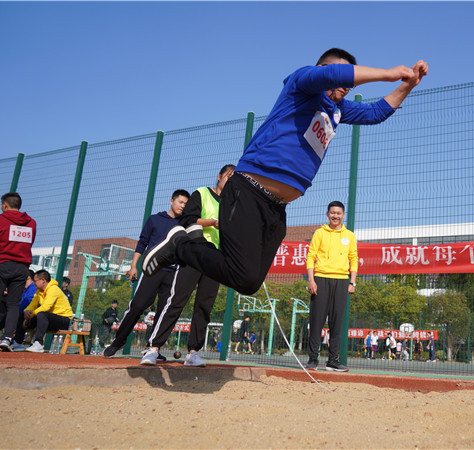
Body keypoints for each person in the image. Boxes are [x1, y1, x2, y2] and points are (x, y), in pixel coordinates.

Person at [140, 48, 428, 307]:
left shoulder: (338, 110)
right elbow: (335, 75)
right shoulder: (301, 83)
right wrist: (389, 73)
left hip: (277, 208)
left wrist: (408, 84)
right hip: (248, 191)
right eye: (341, 75)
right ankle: (180, 246)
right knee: (242, 274)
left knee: (249, 283)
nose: (345, 84)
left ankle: (185, 244)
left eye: (348, 81)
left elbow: (376, 112)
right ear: (322, 70)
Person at [142, 165, 235, 367]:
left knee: (204, 306)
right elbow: (187, 220)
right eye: (229, 176)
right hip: (195, 252)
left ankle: (193, 352)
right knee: (176, 299)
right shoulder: (202, 193)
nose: (231, 181)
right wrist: (211, 222)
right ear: (219, 176)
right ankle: (153, 348)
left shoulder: (232, 204)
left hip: (216, 258)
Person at [103, 190, 189, 358]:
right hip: (152, 269)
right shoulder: (155, 219)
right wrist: (133, 266)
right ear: (171, 201)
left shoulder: (184, 224)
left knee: (164, 312)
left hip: (173, 273)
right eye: (180, 202)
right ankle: (118, 341)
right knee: (137, 305)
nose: (182, 206)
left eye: (186, 204)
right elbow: (142, 242)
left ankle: (153, 348)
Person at [0, 192, 37, 352]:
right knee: (13, 304)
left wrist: (2, 245)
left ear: (5, 205)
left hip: (1, 264)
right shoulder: (31, 223)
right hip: (22, 267)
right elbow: (29, 242)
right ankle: (8, 339)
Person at [306, 201, 358, 372]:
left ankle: (333, 361)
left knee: (337, 322)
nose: (335, 216)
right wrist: (311, 280)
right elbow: (311, 256)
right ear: (328, 214)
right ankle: (313, 360)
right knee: (317, 320)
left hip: (342, 281)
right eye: (333, 213)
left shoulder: (349, 235)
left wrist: (352, 282)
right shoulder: (320, 233)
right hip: (321, 279)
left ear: (343, 215)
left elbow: (354, 258)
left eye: (339, 213)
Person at [23, 270, 74, 352]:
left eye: (35, 281)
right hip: (49, 319)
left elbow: (46, 307)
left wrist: (31, 315)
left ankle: (38, 343)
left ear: (43, 280)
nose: (34, 283)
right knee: (21, 314)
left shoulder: (53, 289)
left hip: (64, 320)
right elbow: (32, 305)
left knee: (42, 314)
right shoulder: (39, 292)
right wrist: (26, 312)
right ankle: (18, 341)